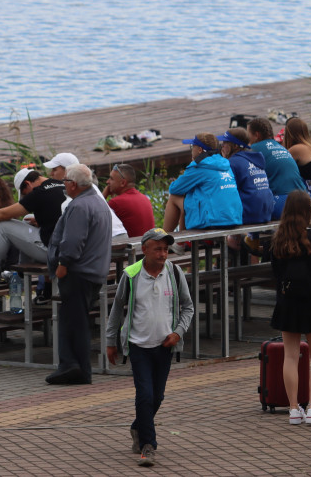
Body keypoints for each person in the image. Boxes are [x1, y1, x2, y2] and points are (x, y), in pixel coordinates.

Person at [105, 228, 194, 467]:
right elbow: (117, 309)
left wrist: (178, 333)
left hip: (164, 346)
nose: (163, 254)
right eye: (158, 249)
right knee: (144, 395)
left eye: (166, 249)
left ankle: (138, 428)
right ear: (144, 250)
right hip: (138, 346)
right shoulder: (132, 275)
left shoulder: (175, 273)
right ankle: (148, 446)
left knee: (158, 396)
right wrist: (110, 341)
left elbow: (188, 307)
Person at [265, 191, 311, 425]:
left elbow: (276, 272)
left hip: (287, 302)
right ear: (308, 212)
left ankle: (294, 409)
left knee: (291, 356)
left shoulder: (278, 239)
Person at [46, 164, 112, 385]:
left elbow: (73, 241)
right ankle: (74, 366)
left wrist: (63, 263)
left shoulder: (80, 206)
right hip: (93, 271)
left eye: (65, 181)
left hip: (79, 272)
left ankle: (75, 367)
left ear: (73, 185)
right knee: (76, 319)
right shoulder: (98, 202)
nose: (63, 184)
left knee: (74, 321)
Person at [161, 134, 242, 231]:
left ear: (199, 149)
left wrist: (192, 165)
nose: (191, 150)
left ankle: (164, 238)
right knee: (190, 198)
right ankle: (182, 243)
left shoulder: (199, 166)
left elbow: (174, 188)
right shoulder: (225, 163)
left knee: (174, 197)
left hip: (214, 221)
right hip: (234, 218)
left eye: (192, 147)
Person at [44, 153, 127, 237]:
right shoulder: (90, 186)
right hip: (119, 234)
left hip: (110, 239)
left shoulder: (75, 193)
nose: (51, 174)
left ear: (67, 171)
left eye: (54, 170)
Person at [247, 117, 306, 218]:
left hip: (282, 203)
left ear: (257, 135)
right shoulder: (282, 147)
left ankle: (252, 234)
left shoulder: (253, 149)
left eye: (248, 135)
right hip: (303, 201)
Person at [218, 128, 274, 224]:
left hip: (249, 214)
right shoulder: (254, 159)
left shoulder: (233, 162)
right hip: (266, 213)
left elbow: (227, 191)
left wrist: (224, 161)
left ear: (235, 146)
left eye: (225, 143)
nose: (222, 146)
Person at [102, 164, 155, 238]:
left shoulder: (116, 203)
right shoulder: (144, 198)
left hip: (132, 248)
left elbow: (96, 217)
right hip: (147, 246)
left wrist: (103, 196)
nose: (107, 182)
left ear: (123, 183)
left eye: (111, 179)